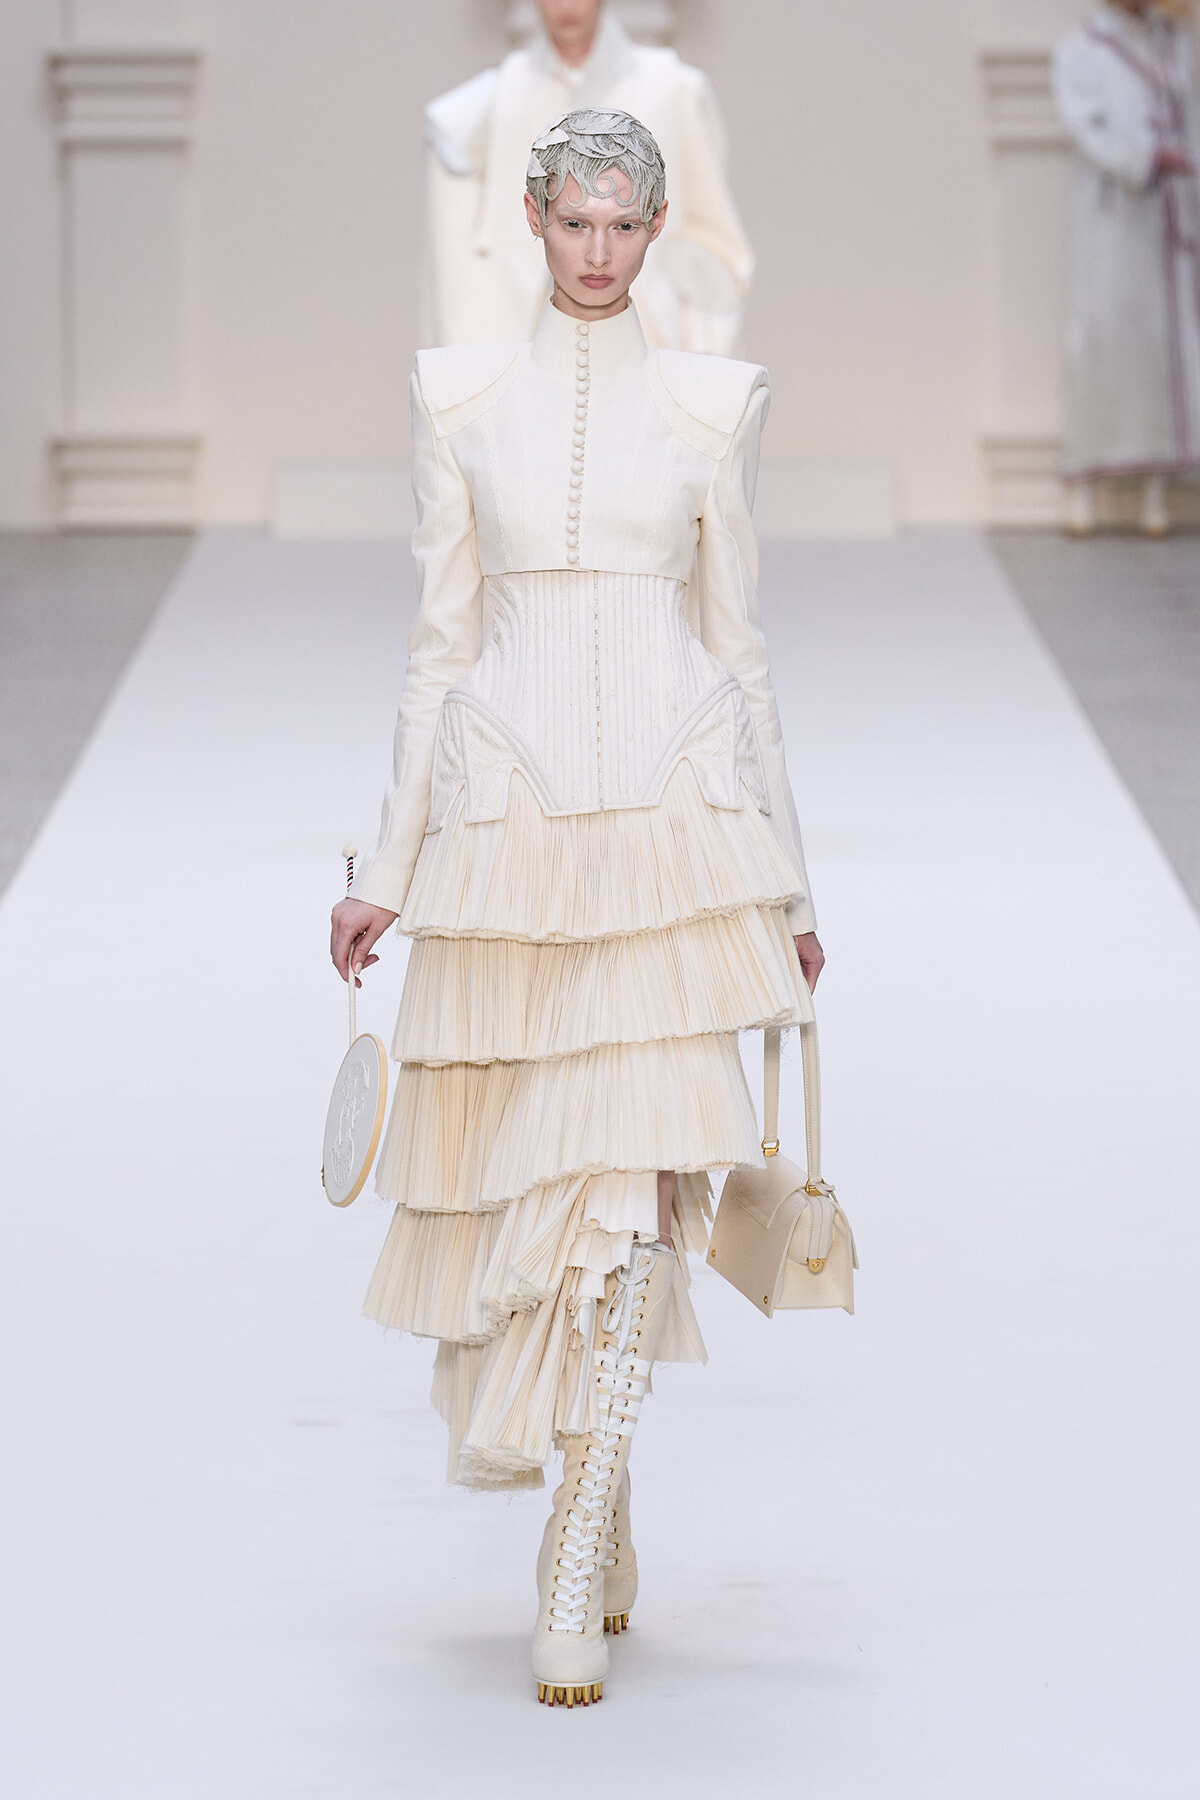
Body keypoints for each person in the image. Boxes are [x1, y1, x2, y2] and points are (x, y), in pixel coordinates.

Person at [331, 109, 820, 1707]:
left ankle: (575, 1535)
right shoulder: (455, 398)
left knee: (629, 1194)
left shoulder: (713, 404)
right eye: (573, 225)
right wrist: (388, 869)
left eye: (623, 225)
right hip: (512, 826)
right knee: (524, 1204)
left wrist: (792, 882)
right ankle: (595, 1499)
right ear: (532, 227)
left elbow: (738, 649)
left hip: (674, 828)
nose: (597, 252)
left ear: (659, 227)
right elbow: (437, 646)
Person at [423, 0, 753, 353]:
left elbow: (712, 238)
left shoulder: (672, 89)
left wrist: (702, 358)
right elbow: (455, 254)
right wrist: (464, 359)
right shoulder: (493, 99)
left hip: (649, 337)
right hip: (523, 341)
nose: (566, 4)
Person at [1053, 0, 1200, 535]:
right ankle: (1084, 478)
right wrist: (1144, 157)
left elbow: (1190, 121)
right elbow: (1086, 128)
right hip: (1114, 220)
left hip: (1167, 220)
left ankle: (1156, 487)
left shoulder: (1174, 45)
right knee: (1102, 340)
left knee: (1164, 345)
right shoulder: (1082, 49)